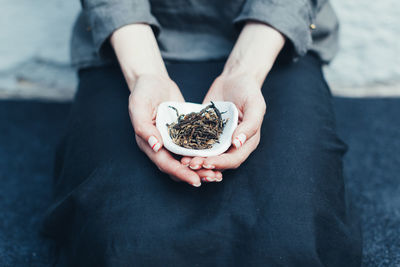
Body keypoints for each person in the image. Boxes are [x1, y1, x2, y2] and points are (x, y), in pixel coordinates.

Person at [42, 0, 362, 266]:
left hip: (271, 38)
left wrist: (243, 71)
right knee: (121, 239)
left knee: (287, 236)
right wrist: (145, 74)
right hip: (129, 39)